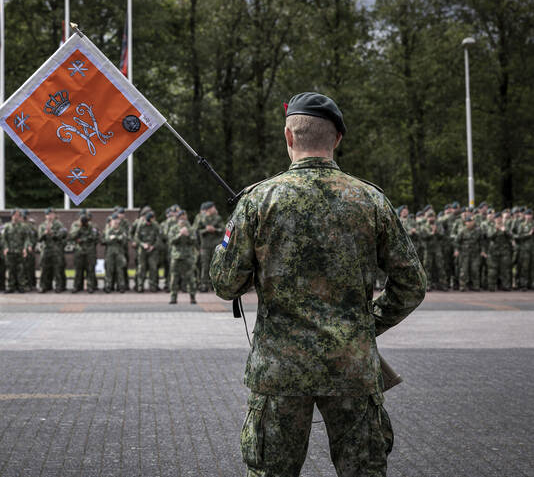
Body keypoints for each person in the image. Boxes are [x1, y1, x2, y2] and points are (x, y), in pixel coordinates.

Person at [210, 92, 426, 477]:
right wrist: (366, 324)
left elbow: (226, 284)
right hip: (351, 365)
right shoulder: (370, 199)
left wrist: (229, 245)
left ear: (289, 137)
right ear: (337, 138)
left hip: (280, 368)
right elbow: (412, 283)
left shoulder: (259, 200)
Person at [168, 210, 198, 304]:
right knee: (174, 278)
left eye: (184, 218)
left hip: (188, 256)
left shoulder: (190, 229)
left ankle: (192, 297)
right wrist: (179, 234)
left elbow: (194, 242)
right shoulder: (173, 228)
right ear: (178, 219)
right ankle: (173, 298)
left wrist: (188, 235)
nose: (183, 220)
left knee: (190, 278)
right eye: (181, 218)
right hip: (176, 256)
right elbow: (171, 241)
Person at [193, 201, 223, 292]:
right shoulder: (201, 219)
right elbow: (196, 231)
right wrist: (206, 230)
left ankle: (214, 284)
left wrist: (215, 230)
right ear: (209, 209)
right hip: (204, 246)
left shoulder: (218, 218)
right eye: (213, 207)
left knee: (215, 265)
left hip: (215, 245)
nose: (215, 208)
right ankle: (204, 285)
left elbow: (223, 229)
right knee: (204, 265)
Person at [37, 207, 67, 293]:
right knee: (44, 269)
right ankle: (43, 286)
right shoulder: (42, 225)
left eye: (52, 214)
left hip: (56, 250)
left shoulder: (59, 224)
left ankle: (58, 286)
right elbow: (39, 238)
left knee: (57, 269)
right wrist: (45, 233)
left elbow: (63, 234)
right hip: (46, 250)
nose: (50, 216)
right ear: (45, 216)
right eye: (48, 214)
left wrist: (53, 233)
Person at [69, 210, 99, 293]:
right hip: (79, 250)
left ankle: (90, 286)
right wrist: (80, 227)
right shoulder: (75, 225)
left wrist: (82, 239)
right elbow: (72, 236)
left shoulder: (93, 225)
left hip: (90, 250)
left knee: (90, 269)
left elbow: (95, 237)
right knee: (78, 269)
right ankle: (77, 286)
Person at [2, 209, 31, 293]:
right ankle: (11, 287)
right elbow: (3, 239)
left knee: (21, 270)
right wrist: (5, 247)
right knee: (11, 270)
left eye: (18, 215)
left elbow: (27, 239)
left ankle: (21, 287)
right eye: (15, 215)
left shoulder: (23, 226)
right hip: (10, 251)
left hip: (20, 251)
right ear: (12, 216)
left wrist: (25, 248)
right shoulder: (7, 226)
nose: (16, 216)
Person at [133, 209, 160, 292]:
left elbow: (159, 238)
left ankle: (153, 286)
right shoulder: (141, 225)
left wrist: (153, 246)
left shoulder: (155, 226)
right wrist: (142, 244)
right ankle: (140, 286)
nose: (151, 222)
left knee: (153, 267)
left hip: (152, 250)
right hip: (142, 250)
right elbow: (136, 237)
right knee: (141, 268)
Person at [103, 215, 128, 293]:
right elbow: (104, 240)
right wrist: (112, 238)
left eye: (117, 221)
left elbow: (124, 241)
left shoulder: (122, 230)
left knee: (120, 270)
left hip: (119, 252)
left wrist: (115, 237)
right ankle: (108, 286)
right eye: (114, 221)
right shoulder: (107, 231)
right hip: (109, 253)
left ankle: (121, 286)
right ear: (111, 222)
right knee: (109, 270)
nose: (115, 222)